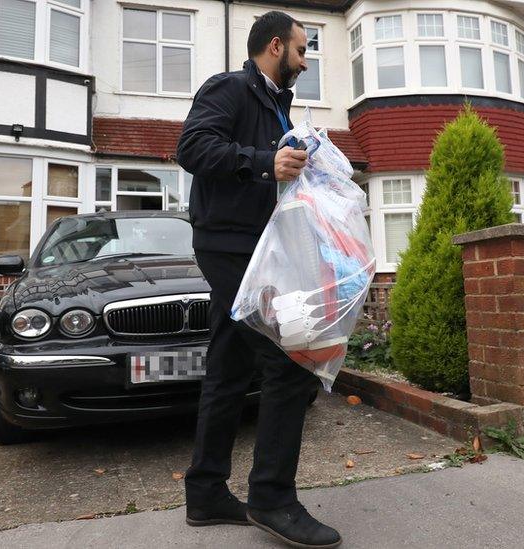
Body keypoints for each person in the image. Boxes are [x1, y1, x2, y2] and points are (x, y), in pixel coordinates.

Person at [175, 10, 343, 549]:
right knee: (290, 358)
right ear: (275, 46)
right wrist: (265, 162)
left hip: (261, 246)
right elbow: (193, 149)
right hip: (230, 245)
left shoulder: (278, 105)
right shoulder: (228, 89)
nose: (305, 60)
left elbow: (276, 173)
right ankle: (272, 498)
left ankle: (205, 492)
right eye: (301, 50)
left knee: (228, 365)